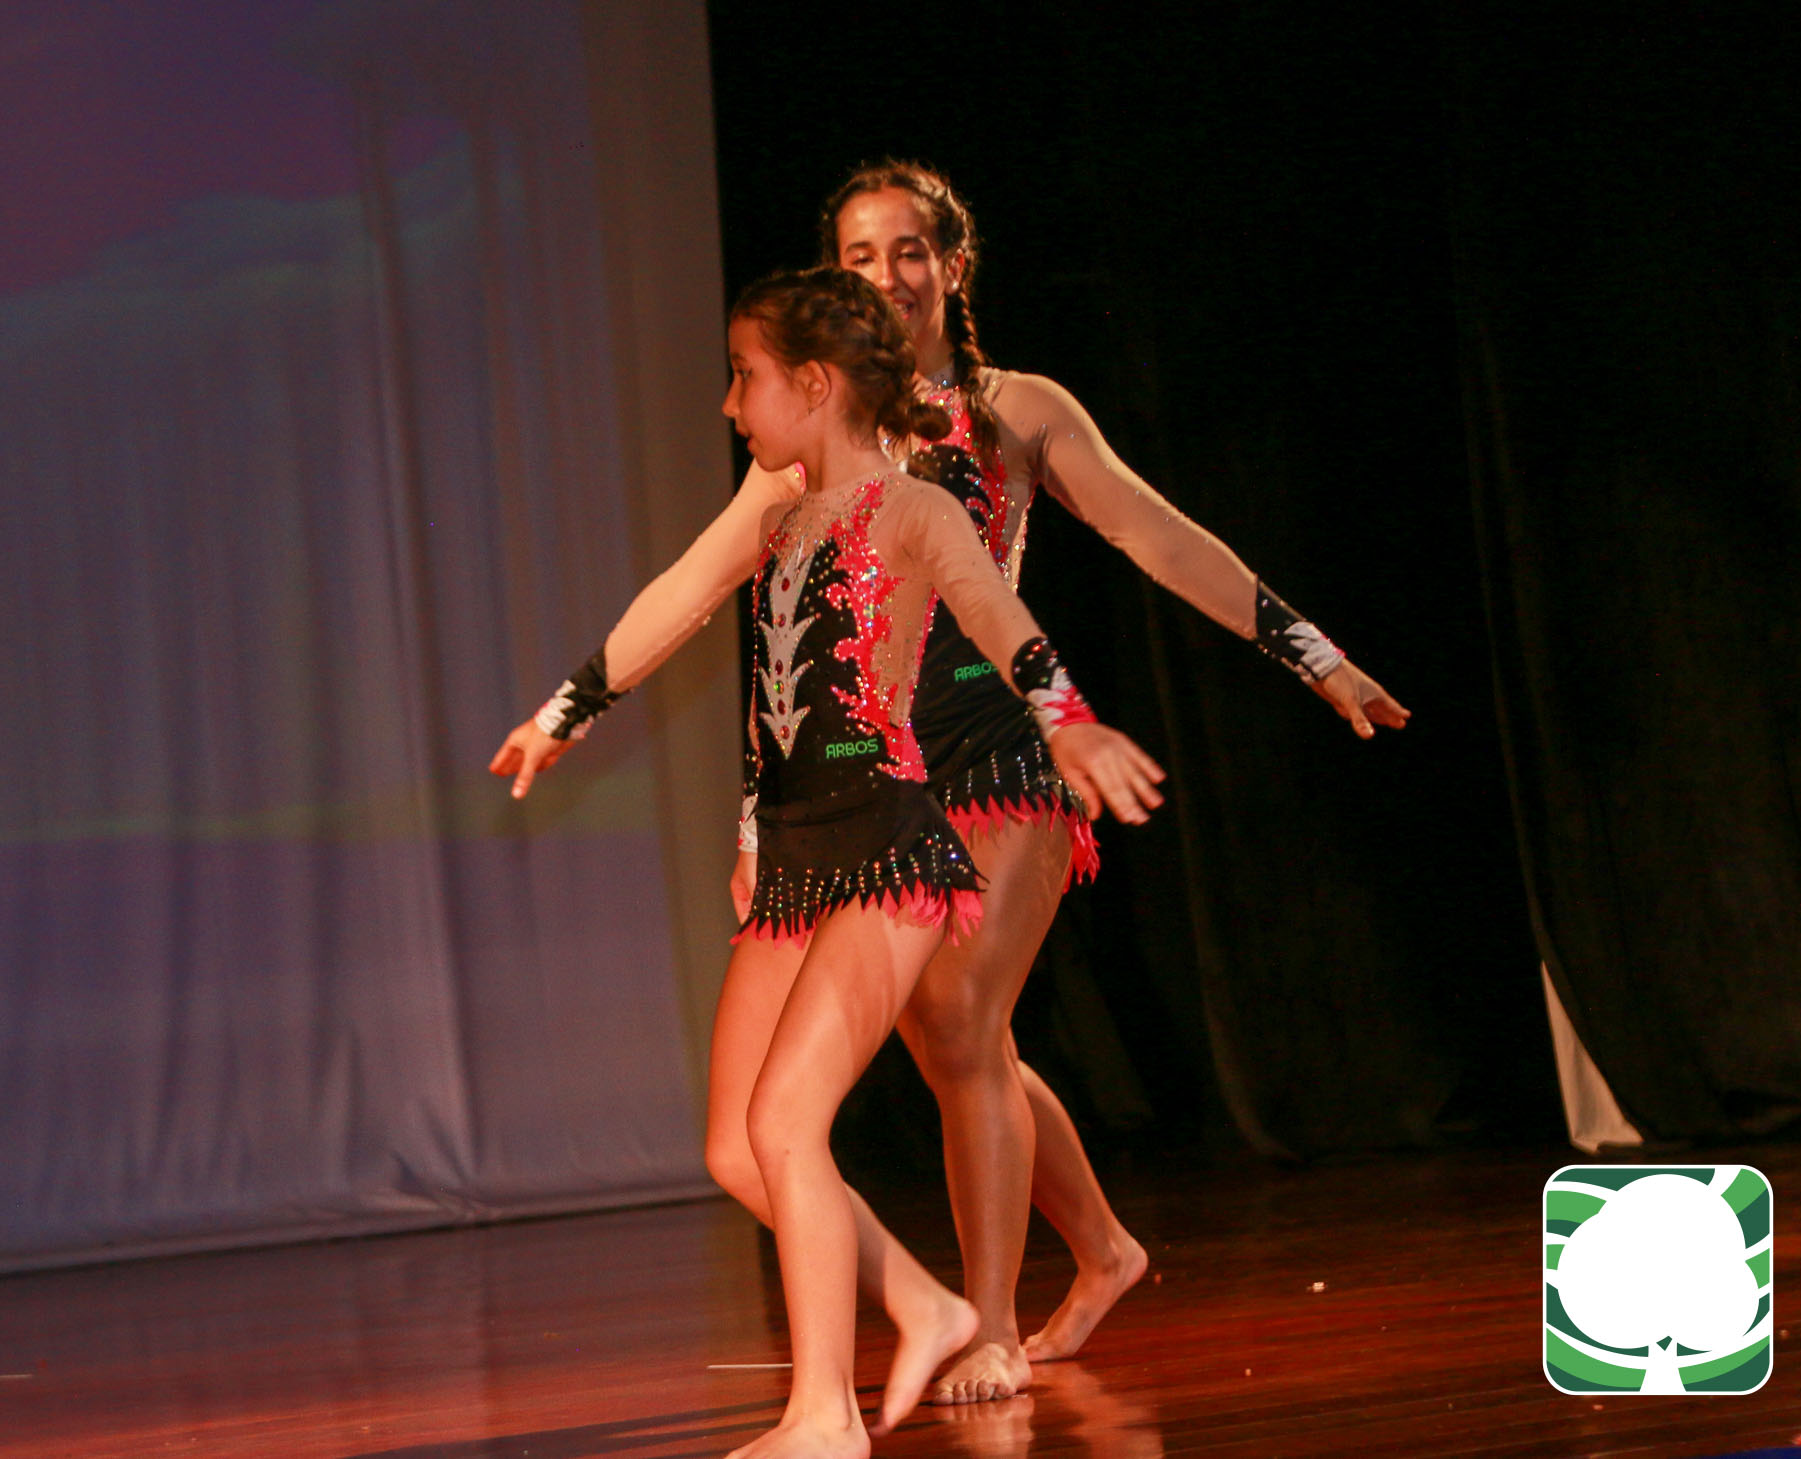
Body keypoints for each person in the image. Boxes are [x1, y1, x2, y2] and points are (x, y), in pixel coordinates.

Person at [491, 265, 1163, 1459]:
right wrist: (567, 712)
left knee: (787, 1120)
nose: (727, 404)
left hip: (889, 851)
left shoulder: (915, 511)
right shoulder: (778, 523)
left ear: (811, 385)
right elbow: (704, 632)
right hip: (799, 861)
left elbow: (1003, 624)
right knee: (734, 1146)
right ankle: (917, 1302)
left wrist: (1068, 724)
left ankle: (824, 1415)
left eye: (742, 377)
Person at [806, 161, 1410, 1404]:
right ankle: (1103, 1248)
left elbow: (1155, 533)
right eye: (860, 256)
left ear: (951, 264)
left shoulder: (1013, 408)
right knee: (954, 1041)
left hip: (1008, 751)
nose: (888, 275)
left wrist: (1313, 654)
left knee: (962, 1023)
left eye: (909, 249)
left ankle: (987, 1321)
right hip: (889, 770)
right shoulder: (821, 422)